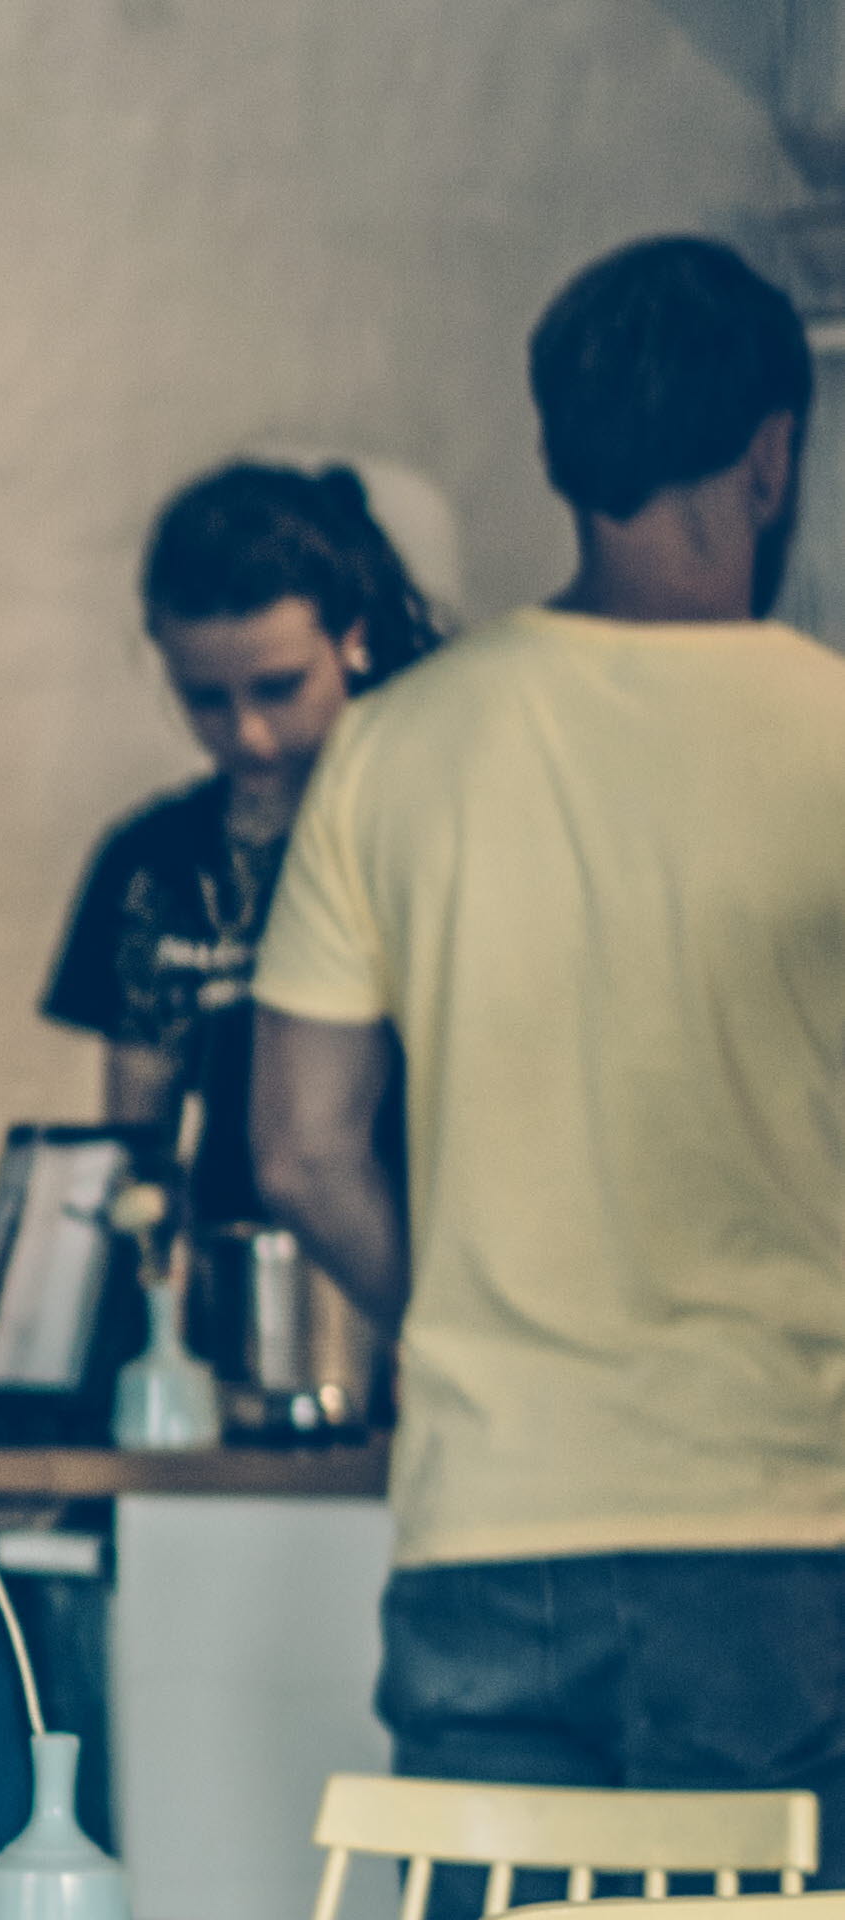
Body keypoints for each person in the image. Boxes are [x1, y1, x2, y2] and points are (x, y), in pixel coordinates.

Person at [251, 233, 845, 1830]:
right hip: (779, 1525)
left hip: (488, 1523)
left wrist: (455, 1306)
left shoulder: (390, 747)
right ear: (770, 453)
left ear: (555, 452)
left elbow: (300, 1153)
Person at [40, 461, 444, 1231]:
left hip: (436, 1264)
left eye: (278, 687)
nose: (247, 732)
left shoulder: (428, 826)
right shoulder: (150, 866)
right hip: (243, 1283)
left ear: (349, 639)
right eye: (205, 699)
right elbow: (138, 1151)